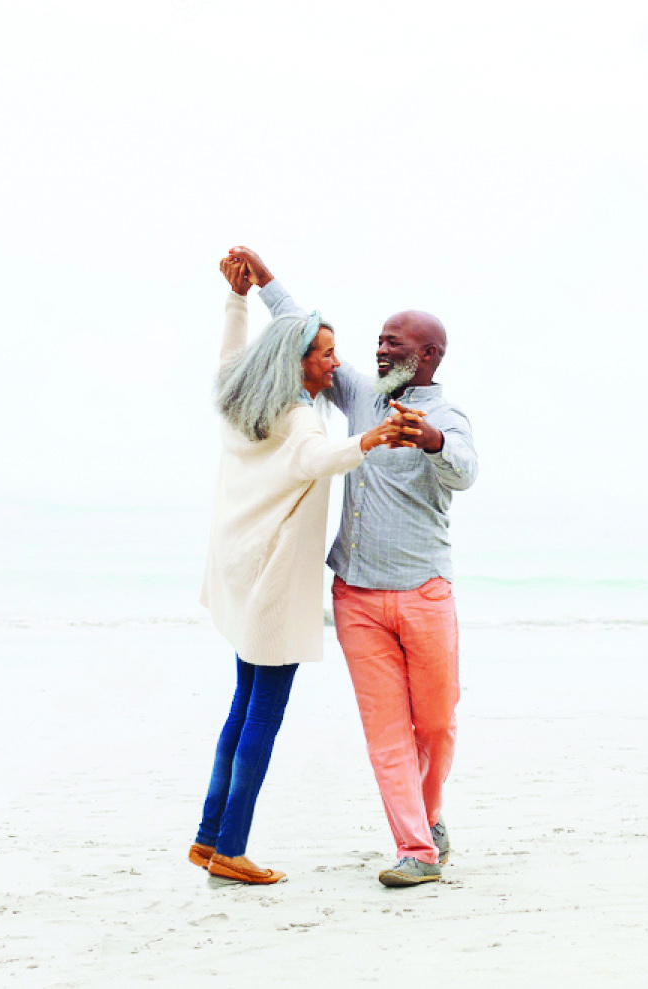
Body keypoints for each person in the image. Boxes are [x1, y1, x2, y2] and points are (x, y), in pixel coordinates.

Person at [227, 246, 477, 888]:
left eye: (393, 345)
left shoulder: (446, 417)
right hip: (358, 598)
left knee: (438, 725)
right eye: (378, 343)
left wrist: (431, 442)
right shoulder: (361, 396)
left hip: (425, 593)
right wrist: (264, 282)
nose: (379, 353)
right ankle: (416, 852)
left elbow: (467, 471)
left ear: (426, 356)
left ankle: (431, 814)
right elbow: (304, 338)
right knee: (387, 732)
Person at [191, 256, 403, 888]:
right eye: (325, 354)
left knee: (241, 705)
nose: (334, 365)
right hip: (276, 580)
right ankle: (230, 847)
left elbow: (230, 356)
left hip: (238, 567)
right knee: (264, 714)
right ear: (298, 361)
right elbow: (316, 459)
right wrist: (369, 441)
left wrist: (238, 300)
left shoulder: (242, 398)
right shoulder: (299, 417)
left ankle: (208, 836)